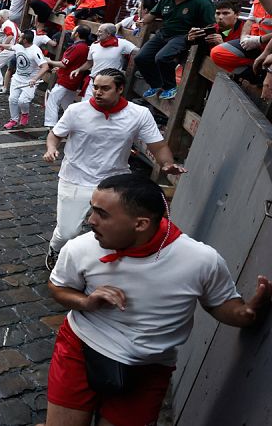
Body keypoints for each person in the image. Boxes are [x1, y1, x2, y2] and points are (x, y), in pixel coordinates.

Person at [43, 172, 271, 426]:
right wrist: (85, 302)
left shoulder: (200, 260)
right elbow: (57, 287)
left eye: (102, 214)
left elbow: (221, 305)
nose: (90, 220)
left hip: (148, 369)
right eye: (92, 209)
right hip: (80, 351)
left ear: (140, 224)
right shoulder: (80, 248)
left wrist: (247, 313)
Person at [42, 68, 186, 270]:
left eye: (105, 88)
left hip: (115, 183)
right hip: (75, 178)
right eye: (95, 87)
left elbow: (158, 145)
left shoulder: (139, 114)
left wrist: (167, 164)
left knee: (116, 230)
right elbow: (55, 134)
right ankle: (56, 249)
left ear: (120, 89)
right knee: (68, 233)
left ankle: (106, 267)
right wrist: (51, 148)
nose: (98, 92)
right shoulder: (76, 111)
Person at [134, 0, 214, 101]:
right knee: (141, 57)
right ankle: (156, 84)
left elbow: (211, 26)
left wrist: (197, 36)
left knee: (162, 57)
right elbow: (154, 14)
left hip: (183, 36)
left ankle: (170, 87)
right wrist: (142, 22)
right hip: (163, 33)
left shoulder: (202, 2)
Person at [211, 0, 272, 85]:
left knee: (218, 52)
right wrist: (189, 39)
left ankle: (258, 76)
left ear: (237, 14)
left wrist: (221, 43)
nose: (220, 17)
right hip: (217, 76)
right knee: (216, 54)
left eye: (226, 13)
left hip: (260, 51)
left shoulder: (244, 28)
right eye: (218, 13)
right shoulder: (210, 30)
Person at [70, 23, 136, 102]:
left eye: (100, 32)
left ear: (108, 34)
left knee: (103, 109)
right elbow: (89, 63)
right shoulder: (94, 45)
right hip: (93, 83)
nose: (97, 34)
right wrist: (78, 69)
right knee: (86, 106)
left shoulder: (122, 43)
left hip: (109, 85)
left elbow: (137, 52)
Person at [43, 24, 90, 129]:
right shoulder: (85, 47)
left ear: (77, 34)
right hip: (74, 80)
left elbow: (64, 63)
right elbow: (74, 64)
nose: (72, 33)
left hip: (65, 80)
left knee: (52, 101)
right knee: (67, 106)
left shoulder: (77, 47)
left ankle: (52, 128)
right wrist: (60, 68)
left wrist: (50, 61)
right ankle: (69, 127)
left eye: (74, 31)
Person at [2, 30, 49, 130]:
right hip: (17, 78)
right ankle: (13, 120)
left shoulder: (35, 51)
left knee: (22, 101)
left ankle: (24, 115)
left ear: (26, 40)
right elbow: (10, 47)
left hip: (29, 82)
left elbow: (45, 67)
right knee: (12, 99)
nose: (18, 38)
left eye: (20, 37)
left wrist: (35, 79)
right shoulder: (19, 46)